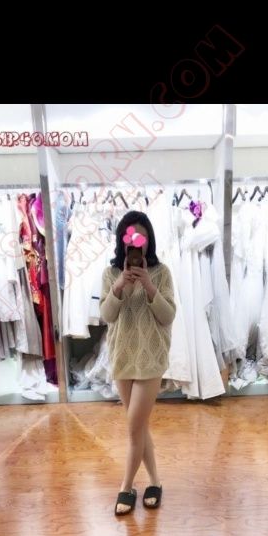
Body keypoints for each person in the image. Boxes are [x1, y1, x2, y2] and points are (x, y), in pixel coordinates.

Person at [99, 210, 176, 515]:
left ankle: (126, 486)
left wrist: (149, 285)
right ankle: (155, 482)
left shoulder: (162, 272)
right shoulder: (110, 274)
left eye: (141, 238)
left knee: (133, 428)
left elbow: (168, 316)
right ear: (122, 241)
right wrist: (119, 285)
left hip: (151, 357)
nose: (135, 243)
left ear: (148, 241)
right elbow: (107, 316)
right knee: (139, 426)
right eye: (130, 237)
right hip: (122, 357)